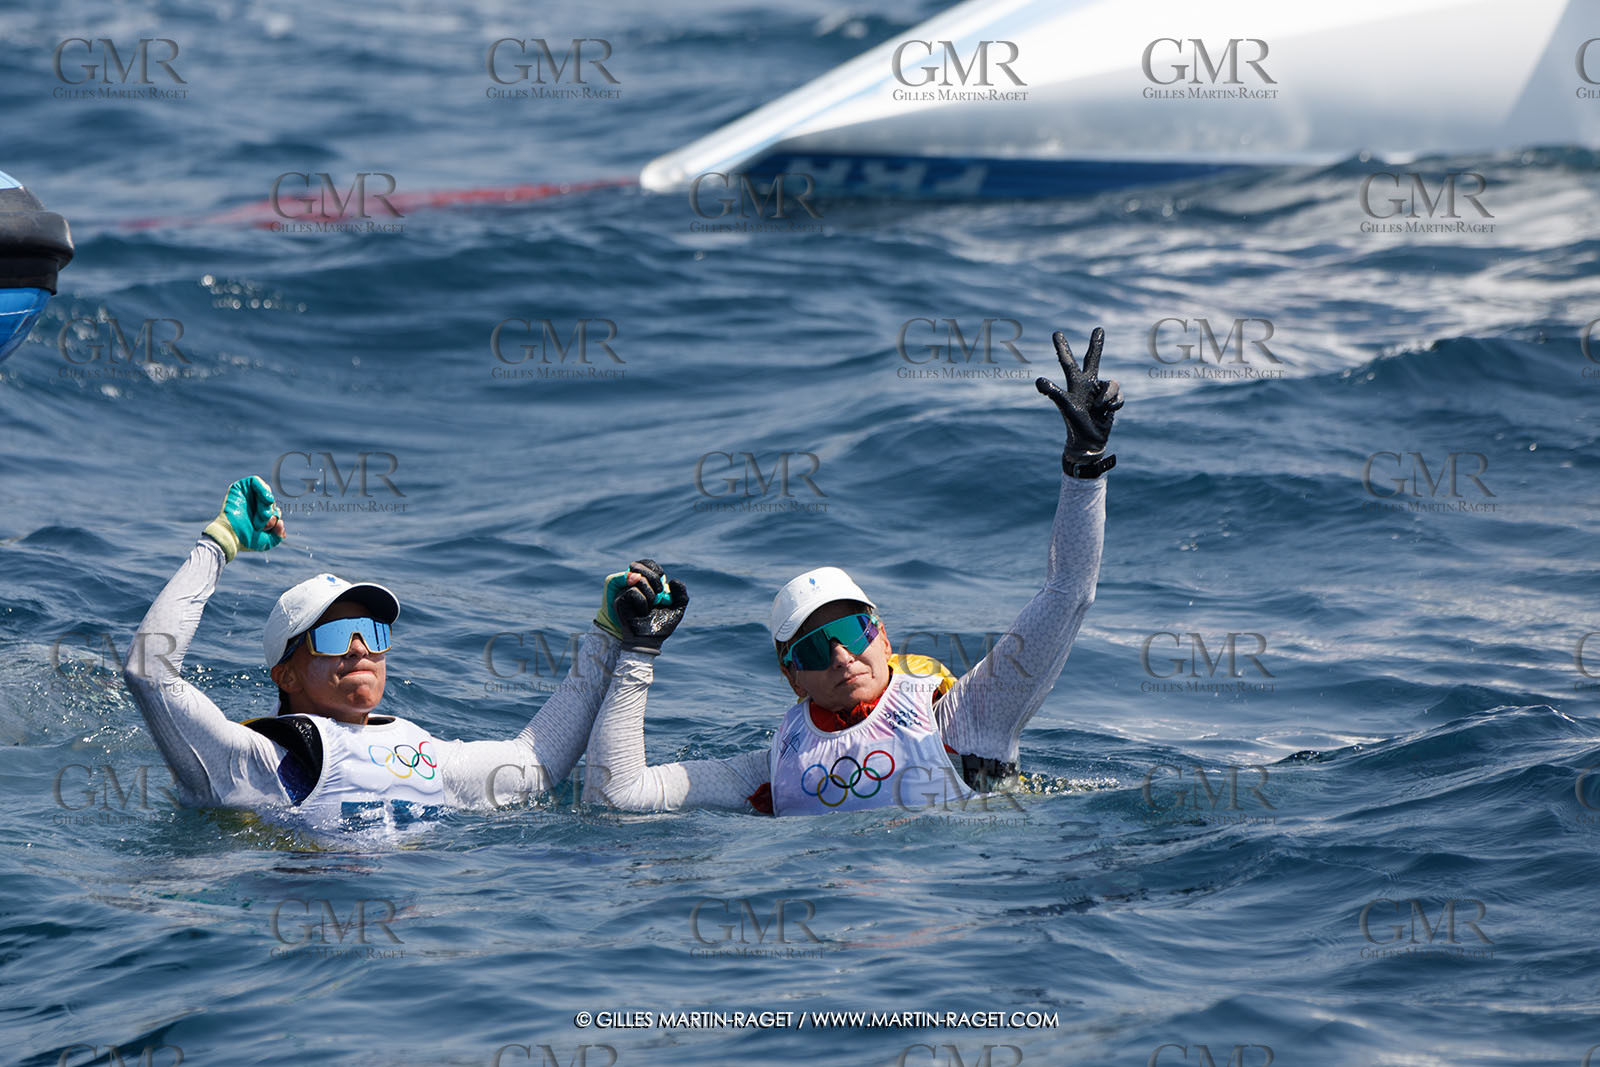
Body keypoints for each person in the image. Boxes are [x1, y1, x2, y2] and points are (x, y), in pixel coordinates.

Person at [582, 328, 1122, 816]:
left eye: (852, 631)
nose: (841, 655)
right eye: (816, 648)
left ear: (882, 636)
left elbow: (1067, 593)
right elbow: (616, 796)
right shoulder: (773, 768)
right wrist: (638, 651)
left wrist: (1085, 465)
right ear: (792, 676)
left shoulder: (966, 718)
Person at [122, 476, 684, 827]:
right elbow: (149, 670)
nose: (360, 648)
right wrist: (219, 543)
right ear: (285, 673)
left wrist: (610, 633)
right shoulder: (259, 762)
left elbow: (537, 765)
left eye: (373, 632)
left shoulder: (421, 752)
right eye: (336, 636)